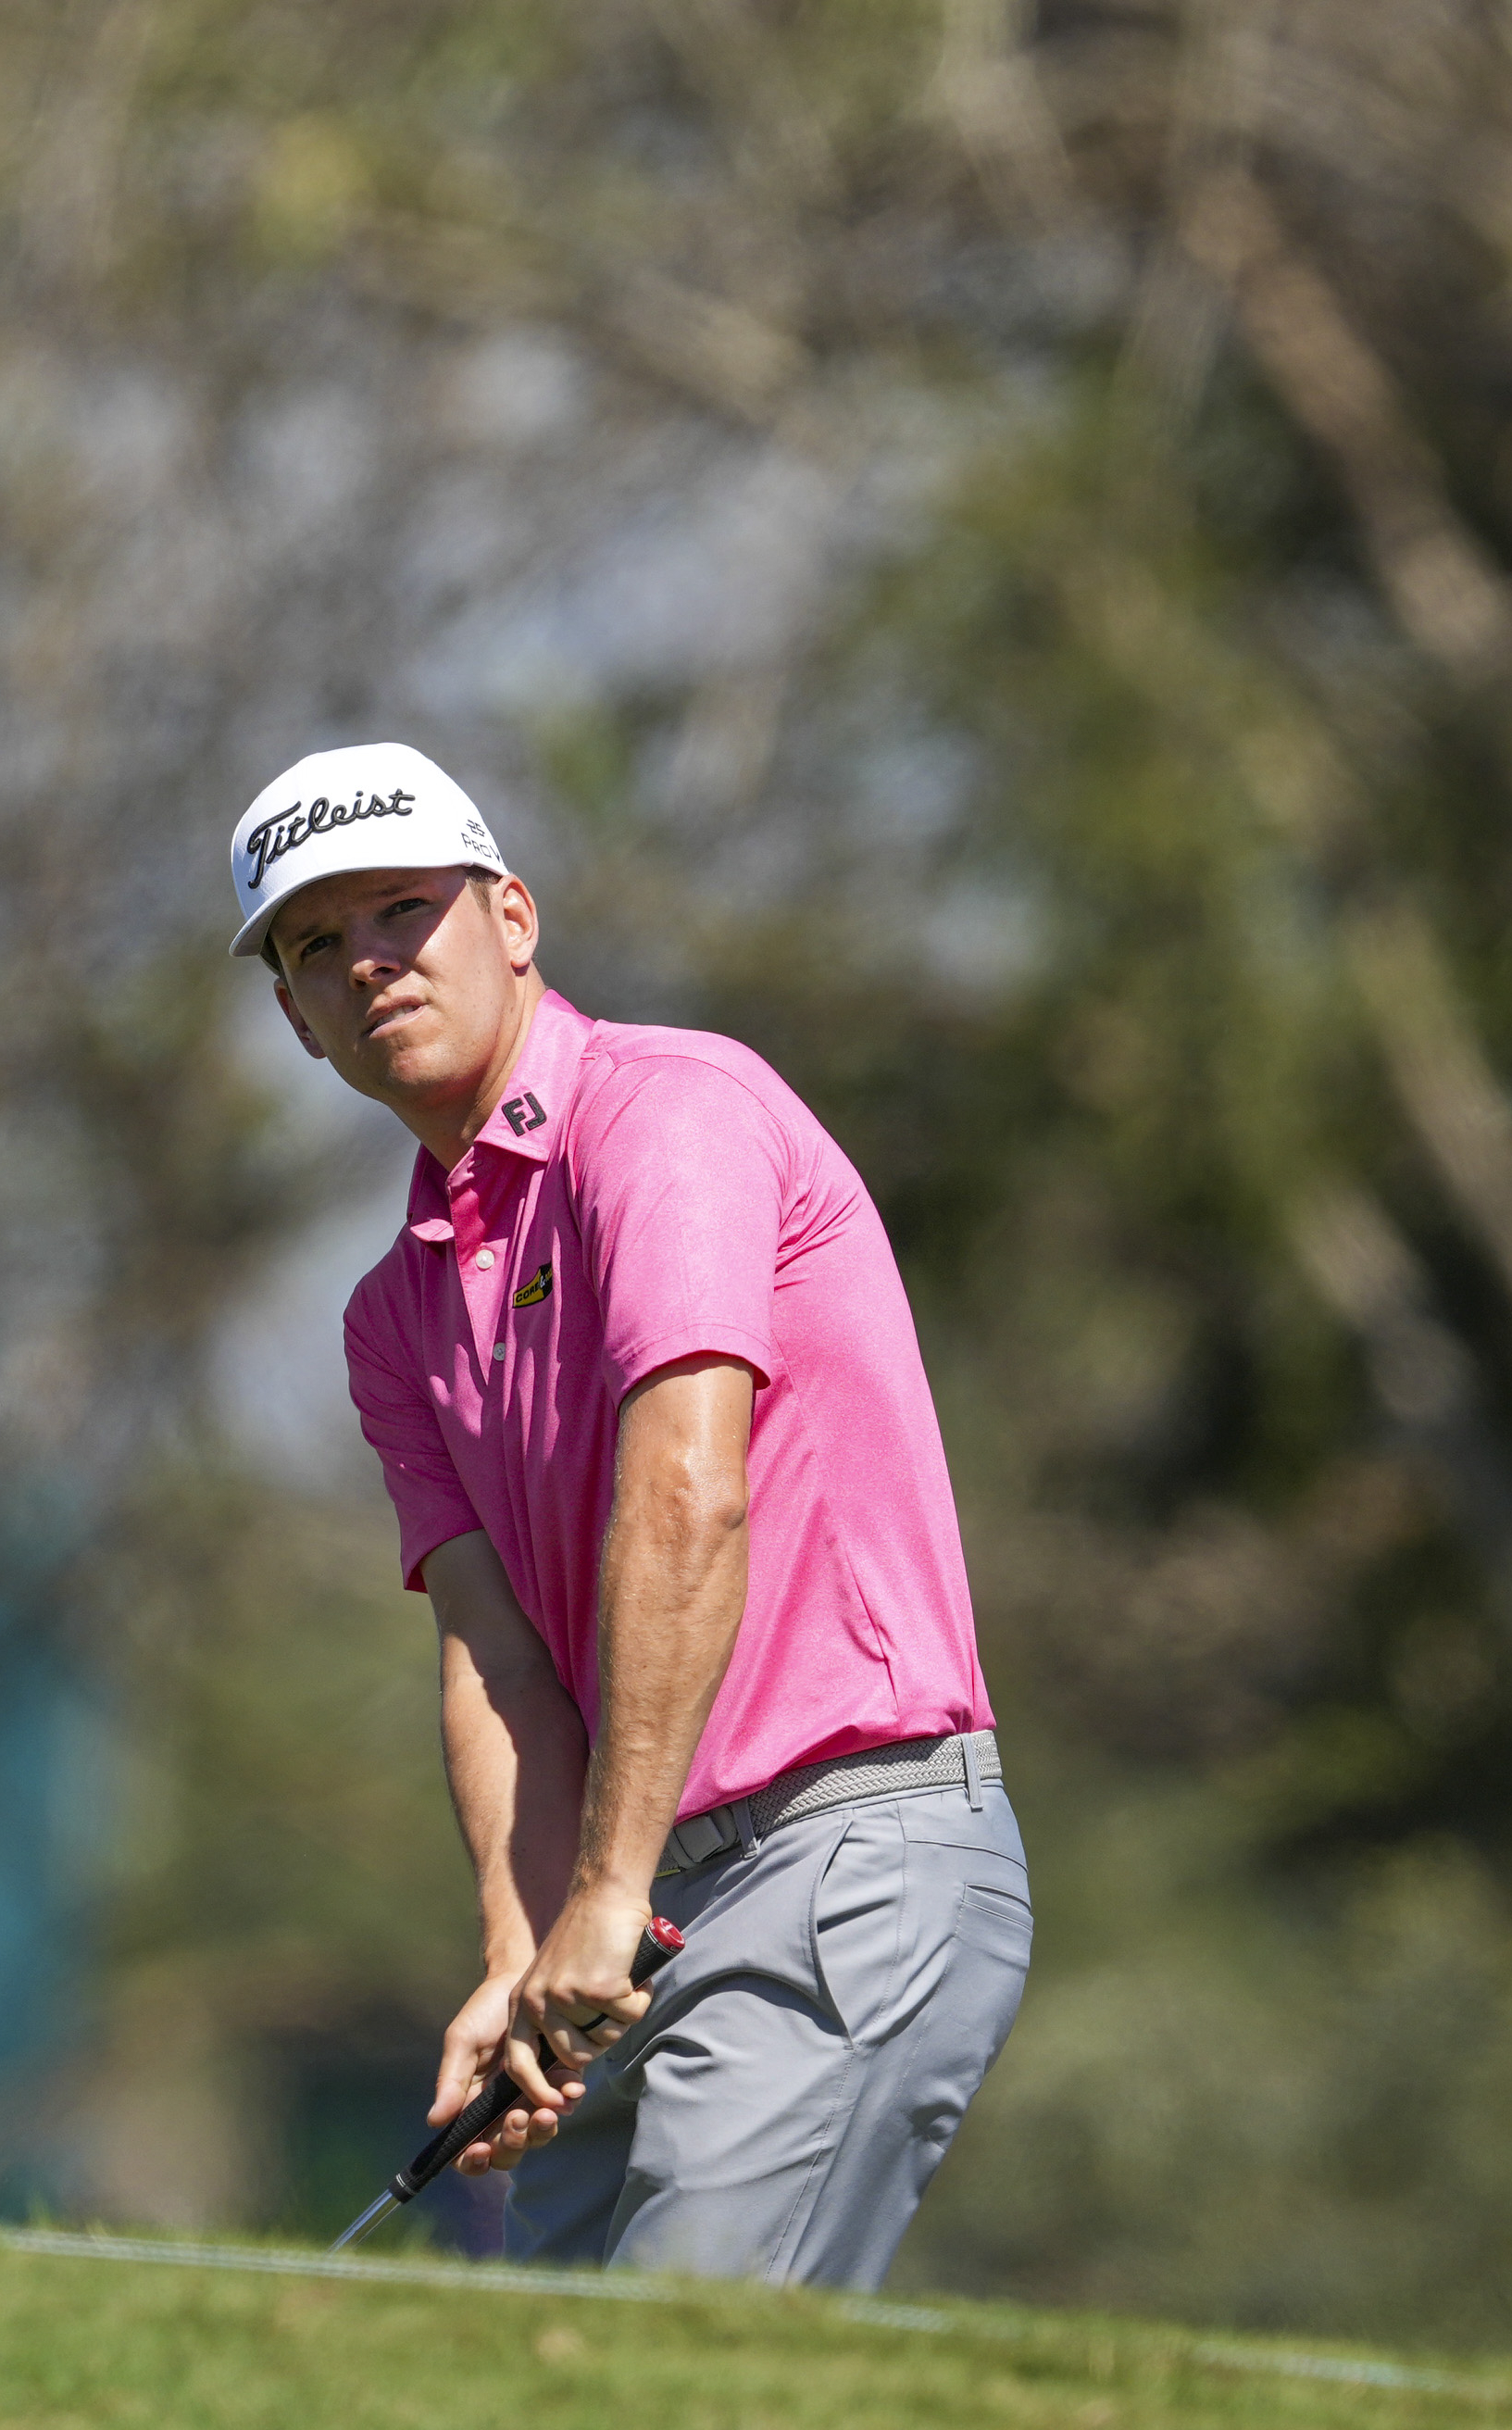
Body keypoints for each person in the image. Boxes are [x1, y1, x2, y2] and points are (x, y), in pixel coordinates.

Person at [227, 739, 1031, 2288]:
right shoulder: (391, 1314)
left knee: (680, 2365)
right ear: (296, 1018)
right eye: (317, 944)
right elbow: (494, 1655)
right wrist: (524, 1949)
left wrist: (603, 1894)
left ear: (512, 916)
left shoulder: (667, 1112)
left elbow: (688, 1493)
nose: (370, 960)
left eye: (406, 907)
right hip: (637, 1904)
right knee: (546, 2366)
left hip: (842, 1852)